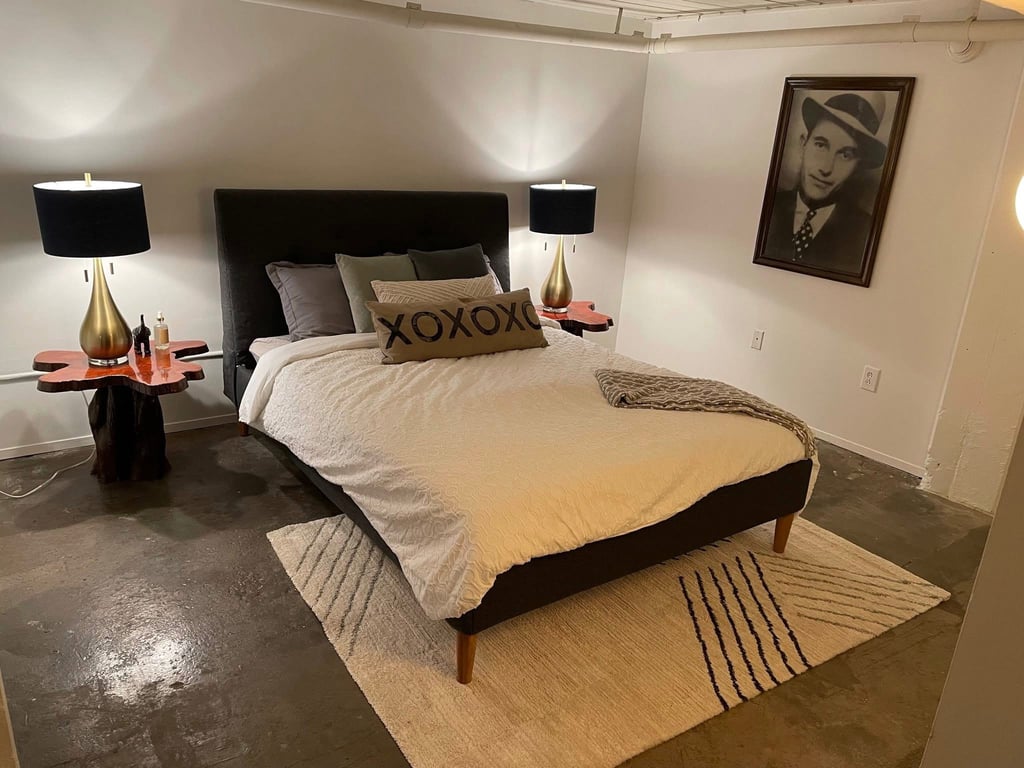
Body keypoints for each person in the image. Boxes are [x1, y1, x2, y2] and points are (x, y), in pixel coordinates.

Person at [762, 91, 888, 275]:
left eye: (846, 155)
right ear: (803, 144)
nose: (826, 168)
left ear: (858, 166)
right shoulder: (767, 206)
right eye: (821, 145)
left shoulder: (865, 233)